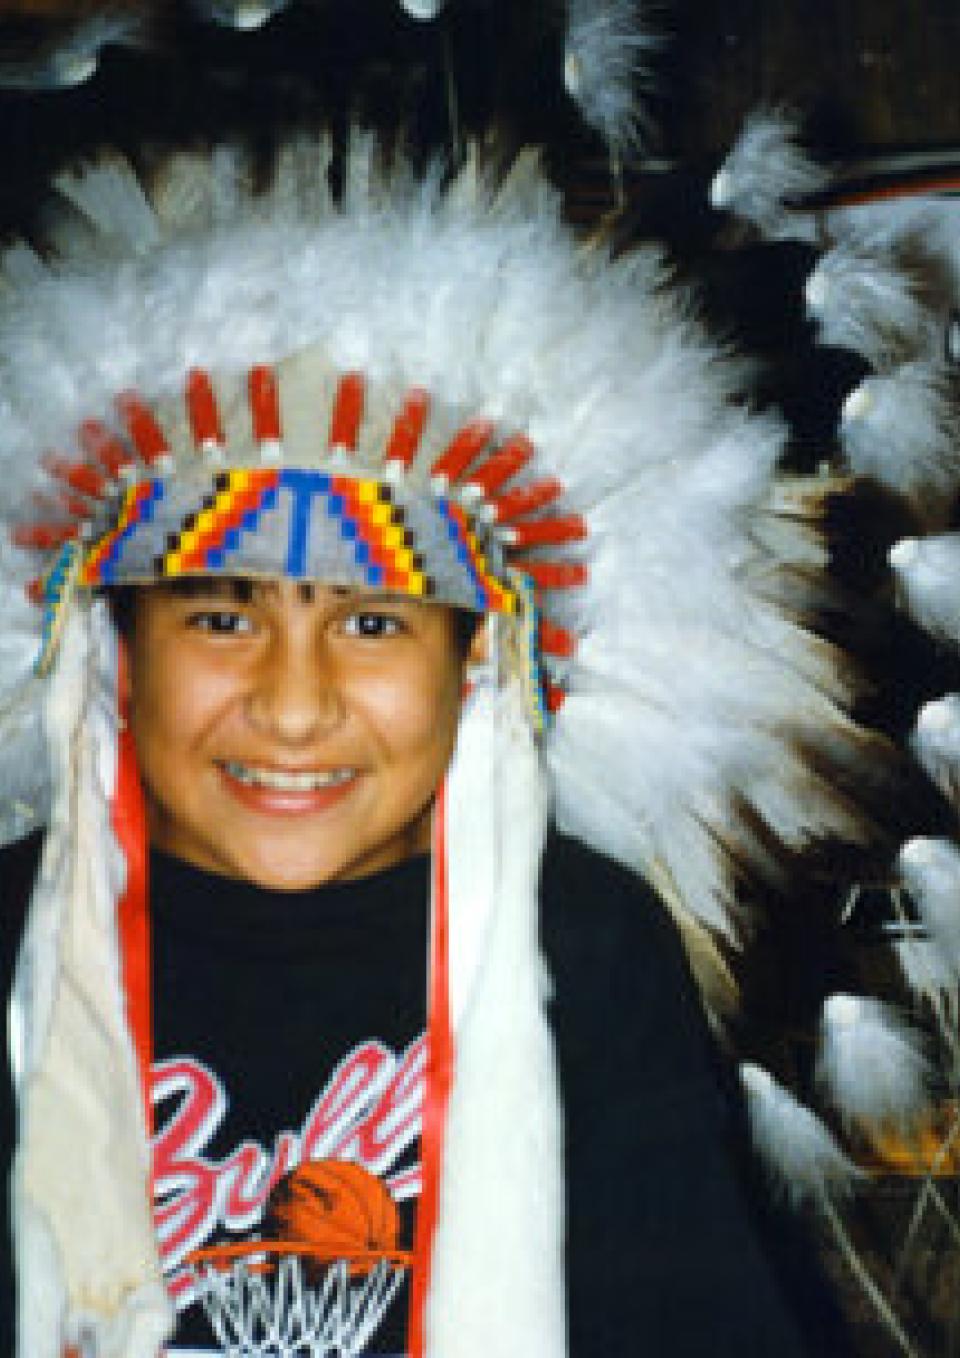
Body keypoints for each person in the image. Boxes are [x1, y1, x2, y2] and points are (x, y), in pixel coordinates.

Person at [0, 132, 860, 1357]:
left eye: (370, 620)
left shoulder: (582, 944)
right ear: (112, 648)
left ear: (477, 667)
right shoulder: (10, 941)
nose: (293, 706)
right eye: (221, 614)